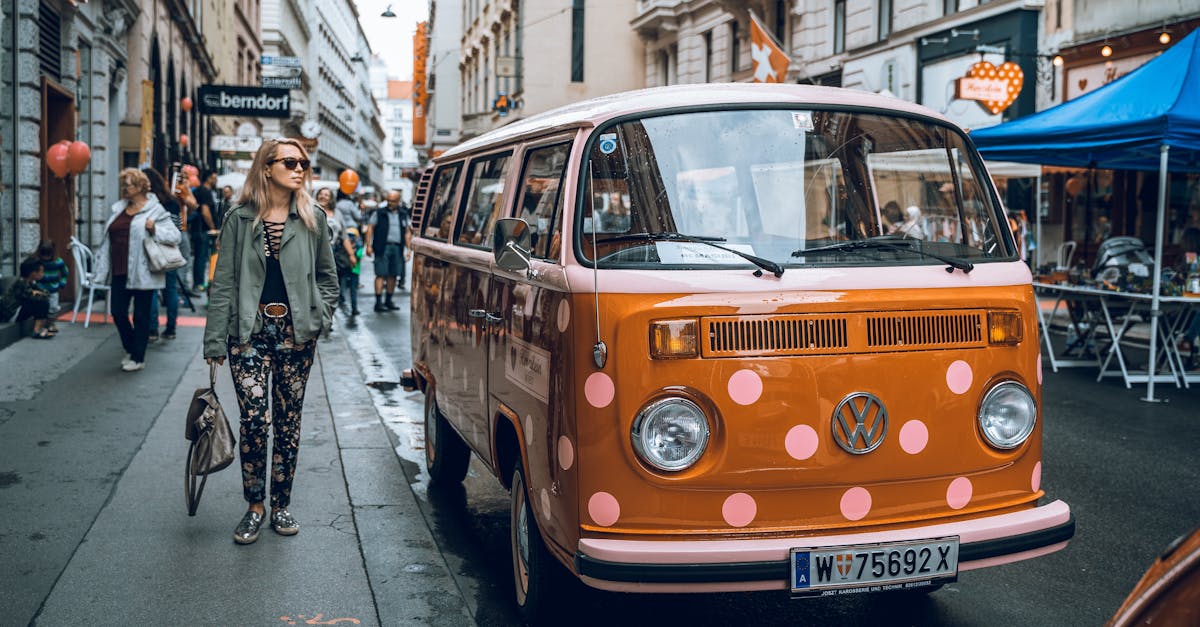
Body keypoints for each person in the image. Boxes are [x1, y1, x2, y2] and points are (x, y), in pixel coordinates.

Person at [203, 138, 339, 545]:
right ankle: (254, 506)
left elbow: (328, 278)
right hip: (249, 332)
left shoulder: (312, 217)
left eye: (304, 163)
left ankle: (280, 503)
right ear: (266, 168)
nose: (300, 169)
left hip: (297, 334)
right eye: (290, 162)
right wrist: (214, 342)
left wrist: (320, 314)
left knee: (288, 421)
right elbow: (224, 282)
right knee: (255, 422)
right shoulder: (239, 218)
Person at [90, 168, 181, 371]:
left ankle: (138, 358)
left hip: (143, 270)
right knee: (118, 313)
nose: (124, 188)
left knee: (141, 316)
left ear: (140, 186)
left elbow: (176, 236)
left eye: (128, 184)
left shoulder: (155, 210)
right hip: (119, 269)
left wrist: (155, 229)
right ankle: (132, 348)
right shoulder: (118, 209)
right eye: (123, 184)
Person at [144, 167, 184, 340]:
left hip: (151, 250)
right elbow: (178, 228)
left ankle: (152, 329)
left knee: (152, 289)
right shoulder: (173, 202)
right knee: (171, 290)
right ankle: (171, 329)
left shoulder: (147, 204)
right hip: (169, 251)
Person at [365, 190, 411, 312]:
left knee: (393, 274)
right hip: (382, 247)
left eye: (393, 201)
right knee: (380, 274)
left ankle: (388, 301)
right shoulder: (379, 212)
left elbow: (407, 231)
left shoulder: (403, 213)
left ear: (398, 201)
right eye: (389, 200)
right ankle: (378, 302)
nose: (390, 203)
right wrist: (368, 246)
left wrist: (409, 249)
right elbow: (370, 228)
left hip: (397, 247)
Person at [1, 257, 54, 339]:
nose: (42, 274)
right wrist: (36, 294)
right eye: (41, 271)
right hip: (12, 314)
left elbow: (46, 293)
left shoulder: (31, 283)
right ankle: (37, 330)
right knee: (42, 303)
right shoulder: (21, 282)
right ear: (32, 273)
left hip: (18, 311)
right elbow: (32, 296)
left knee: (43, 301)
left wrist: (38, 293)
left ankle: (44, 326)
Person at [191, 170, 219, 290]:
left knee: (199, 256)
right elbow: (205, 211)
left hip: (196, 228)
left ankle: (197, 282)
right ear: (208, 178)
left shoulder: (197, 190)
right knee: (201, 257)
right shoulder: (205, 192)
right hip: (203, 229)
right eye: (214, 177)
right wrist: (212, 227)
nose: (216, 180)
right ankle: (199, 284)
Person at [34, 239, 68, 323]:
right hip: (40, 288)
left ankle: (50, 323)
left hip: (53, 289)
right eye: (44, 254)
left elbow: (65, 273)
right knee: (40, 307)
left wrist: (62, 282)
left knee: (53, 308)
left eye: (48, 254)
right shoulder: (37, 261)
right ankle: (41, 323)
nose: (46, 257)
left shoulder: (58, 262)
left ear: (52, 253)